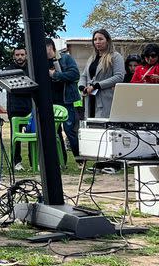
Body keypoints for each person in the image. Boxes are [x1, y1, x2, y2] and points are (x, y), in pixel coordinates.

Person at [78, 29, 125, 174]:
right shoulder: (92, 58)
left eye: (100, 39)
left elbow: (119, 77)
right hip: (91, 99)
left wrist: (98, 85)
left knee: (108, 130)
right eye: (95, 39)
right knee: (96, 130)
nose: (97, 42)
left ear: (107, 40)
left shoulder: (115, 57)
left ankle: (114, 163)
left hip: (106, 98)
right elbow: (84, 75)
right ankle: (100, 161)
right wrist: (82, 86)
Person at [45, 38, 81, 163]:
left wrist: (55, 75)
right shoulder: (42, 62)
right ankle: (62, 161)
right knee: (55, 132)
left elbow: (75, 75)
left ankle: (79, 159)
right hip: (50, 101)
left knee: (69, 130)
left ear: (51, 47)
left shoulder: (65, 58)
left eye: (45, 48)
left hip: (66, 100)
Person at [7, 46, 33, 171]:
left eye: (22, 54)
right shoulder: (9, 70)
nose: (20, 57)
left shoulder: (31, 69)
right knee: (15, 138)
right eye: (17, 55)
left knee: (33, 135)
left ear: (26, 55)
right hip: (14, 108)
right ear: (13, 56)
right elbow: (14, 90)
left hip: (30, 108)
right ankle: (17, 162)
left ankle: (34, 161)